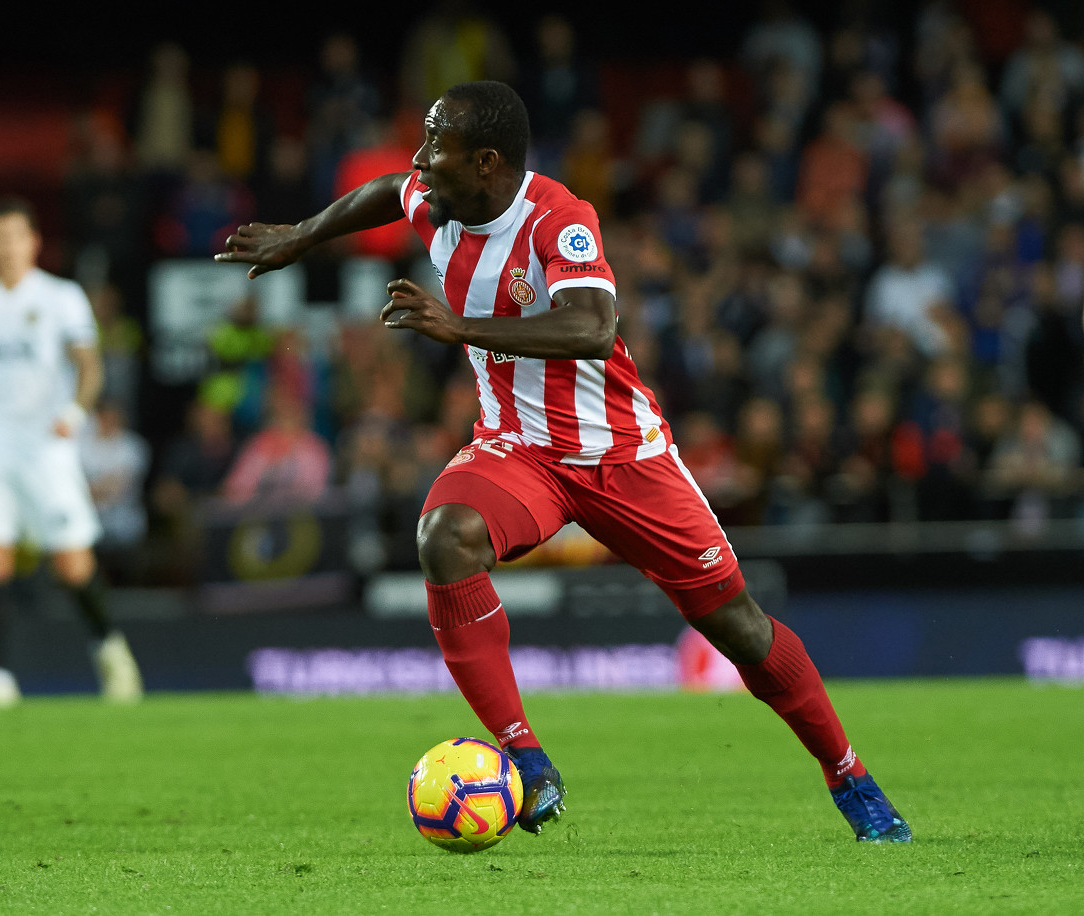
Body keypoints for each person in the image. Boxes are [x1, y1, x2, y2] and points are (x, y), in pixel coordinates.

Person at [216, 81, 911, 842]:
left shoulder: (558, 217)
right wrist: (302, 235)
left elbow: (590, 327)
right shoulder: (437, 201)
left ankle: (849, 776)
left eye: (436, 146)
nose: (420, 160)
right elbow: (386, 190)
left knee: (739, 629)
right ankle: (526, 757)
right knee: (445, 537)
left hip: (622, 455)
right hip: (518, 449)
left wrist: (459, 328)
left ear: (486, 162)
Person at [0, 197, 142, 705]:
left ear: (33, 242)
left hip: (45, 446)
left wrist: (75, 412)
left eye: (14, 237)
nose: (6, 247)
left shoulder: (60, 297)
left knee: (72, 563)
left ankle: (109, 647)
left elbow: (89, 364)